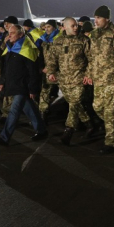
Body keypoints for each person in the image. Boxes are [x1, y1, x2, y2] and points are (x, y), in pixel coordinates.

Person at [0, 24, 47, 145]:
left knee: (14, 110)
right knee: (29, 108)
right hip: (14, 84)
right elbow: (7, 68)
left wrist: (33, 89)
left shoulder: (28, 49)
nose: (9, 35)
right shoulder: (10, 48)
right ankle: (42, 130)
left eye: (12, 33)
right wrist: (2, 82)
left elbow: (33, 72)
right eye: (8, 33)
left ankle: (4, 137)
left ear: (21, 34)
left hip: (23, 86)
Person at [86, 6, 114, 154]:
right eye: (95, 17)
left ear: (107, 19)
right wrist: (89, 74)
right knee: (97, 107)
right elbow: (92, 58)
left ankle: (110, 142)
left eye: (99, 17)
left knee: (110, 111)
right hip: (98, 79)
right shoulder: (94, 34)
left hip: (112, 79)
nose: (96, 20)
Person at [45, 17, 93, 145]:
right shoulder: (58, 41)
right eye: (73, 26)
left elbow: (92, 59)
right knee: (75, 104)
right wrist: (51, 72)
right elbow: (52, 59)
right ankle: (89, 124)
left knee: (74, 104)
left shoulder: (84, 40)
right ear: (65, 27)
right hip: (64, 80)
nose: (76, 27)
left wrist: (88, 74)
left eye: (76, 25)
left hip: (79, 78)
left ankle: (69, 130)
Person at [35, 19, 61, 120]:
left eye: (49, 27)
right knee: (44, 93)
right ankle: (43, 116)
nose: (46, 29)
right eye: (45, 27)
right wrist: (41, 67)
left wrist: (53, 69)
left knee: (70, 96)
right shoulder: (44, 40)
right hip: (46, 71)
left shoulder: (60, 39)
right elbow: (41, 56)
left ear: (54, 27)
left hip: (59, 71)